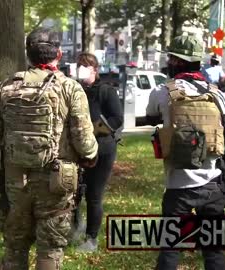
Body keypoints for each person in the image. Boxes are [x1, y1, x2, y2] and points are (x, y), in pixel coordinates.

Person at [0, 27, 98, 270]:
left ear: (28, 54)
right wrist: (90, 156)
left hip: (15, 182)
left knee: (15, 245)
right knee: (51, 246)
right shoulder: (70, 88)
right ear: (58, 54)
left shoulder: (6, 87)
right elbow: (84, 140)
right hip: (56, 182)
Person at [146, 35, 225, 270]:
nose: (168, 62)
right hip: (213, 186)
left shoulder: (162, 92)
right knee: (213, 251)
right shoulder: (218, 95)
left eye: (170, 58)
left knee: (170, 249)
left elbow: (151, 118)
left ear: (178, 61)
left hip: (178, 188)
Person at [72, 52, 123, 252]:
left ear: (95, 70)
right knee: (73, 192)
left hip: (102, 149)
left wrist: (95, 128)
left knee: (93, 194)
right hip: (77, 148)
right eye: (79, 66)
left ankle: (91, 238)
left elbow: (117, 119)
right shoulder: (74, 89)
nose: (81, 70)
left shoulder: (106, 91)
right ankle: (75, 227)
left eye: (85, 66)